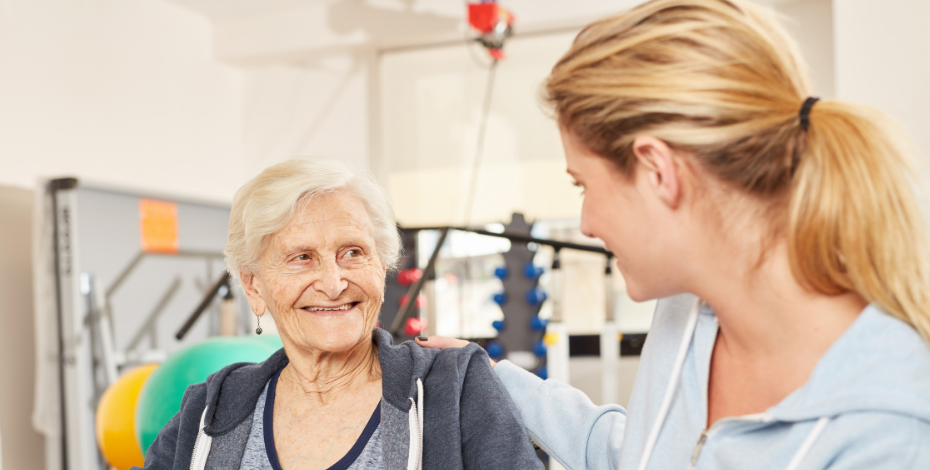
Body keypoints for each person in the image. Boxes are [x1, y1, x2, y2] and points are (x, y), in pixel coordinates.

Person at [419, 0, 930, 468]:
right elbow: (647, 457)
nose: (586, 224)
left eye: (584, 185)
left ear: (658, 171)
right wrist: (494, 379)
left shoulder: (889, 432)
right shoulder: (688, 305)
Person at [138, 157, 543, 470]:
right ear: (253, 286)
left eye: (353, 252)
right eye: (301, 258)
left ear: (382, 266)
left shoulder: (454, 388)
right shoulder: (211, 407)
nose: (333, 283)